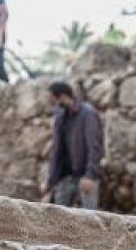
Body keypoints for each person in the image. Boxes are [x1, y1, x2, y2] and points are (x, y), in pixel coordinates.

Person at [43, 81, 104, 210]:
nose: (52, 103)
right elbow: (56, 151)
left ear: (62, 97)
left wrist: (90, 175)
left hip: (85, 176)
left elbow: (95, 146)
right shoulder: (60, 116)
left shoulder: (88, 114)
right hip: (66, 177)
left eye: (53, 99)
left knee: (89, 220)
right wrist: (50, 182)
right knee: (57, 218)